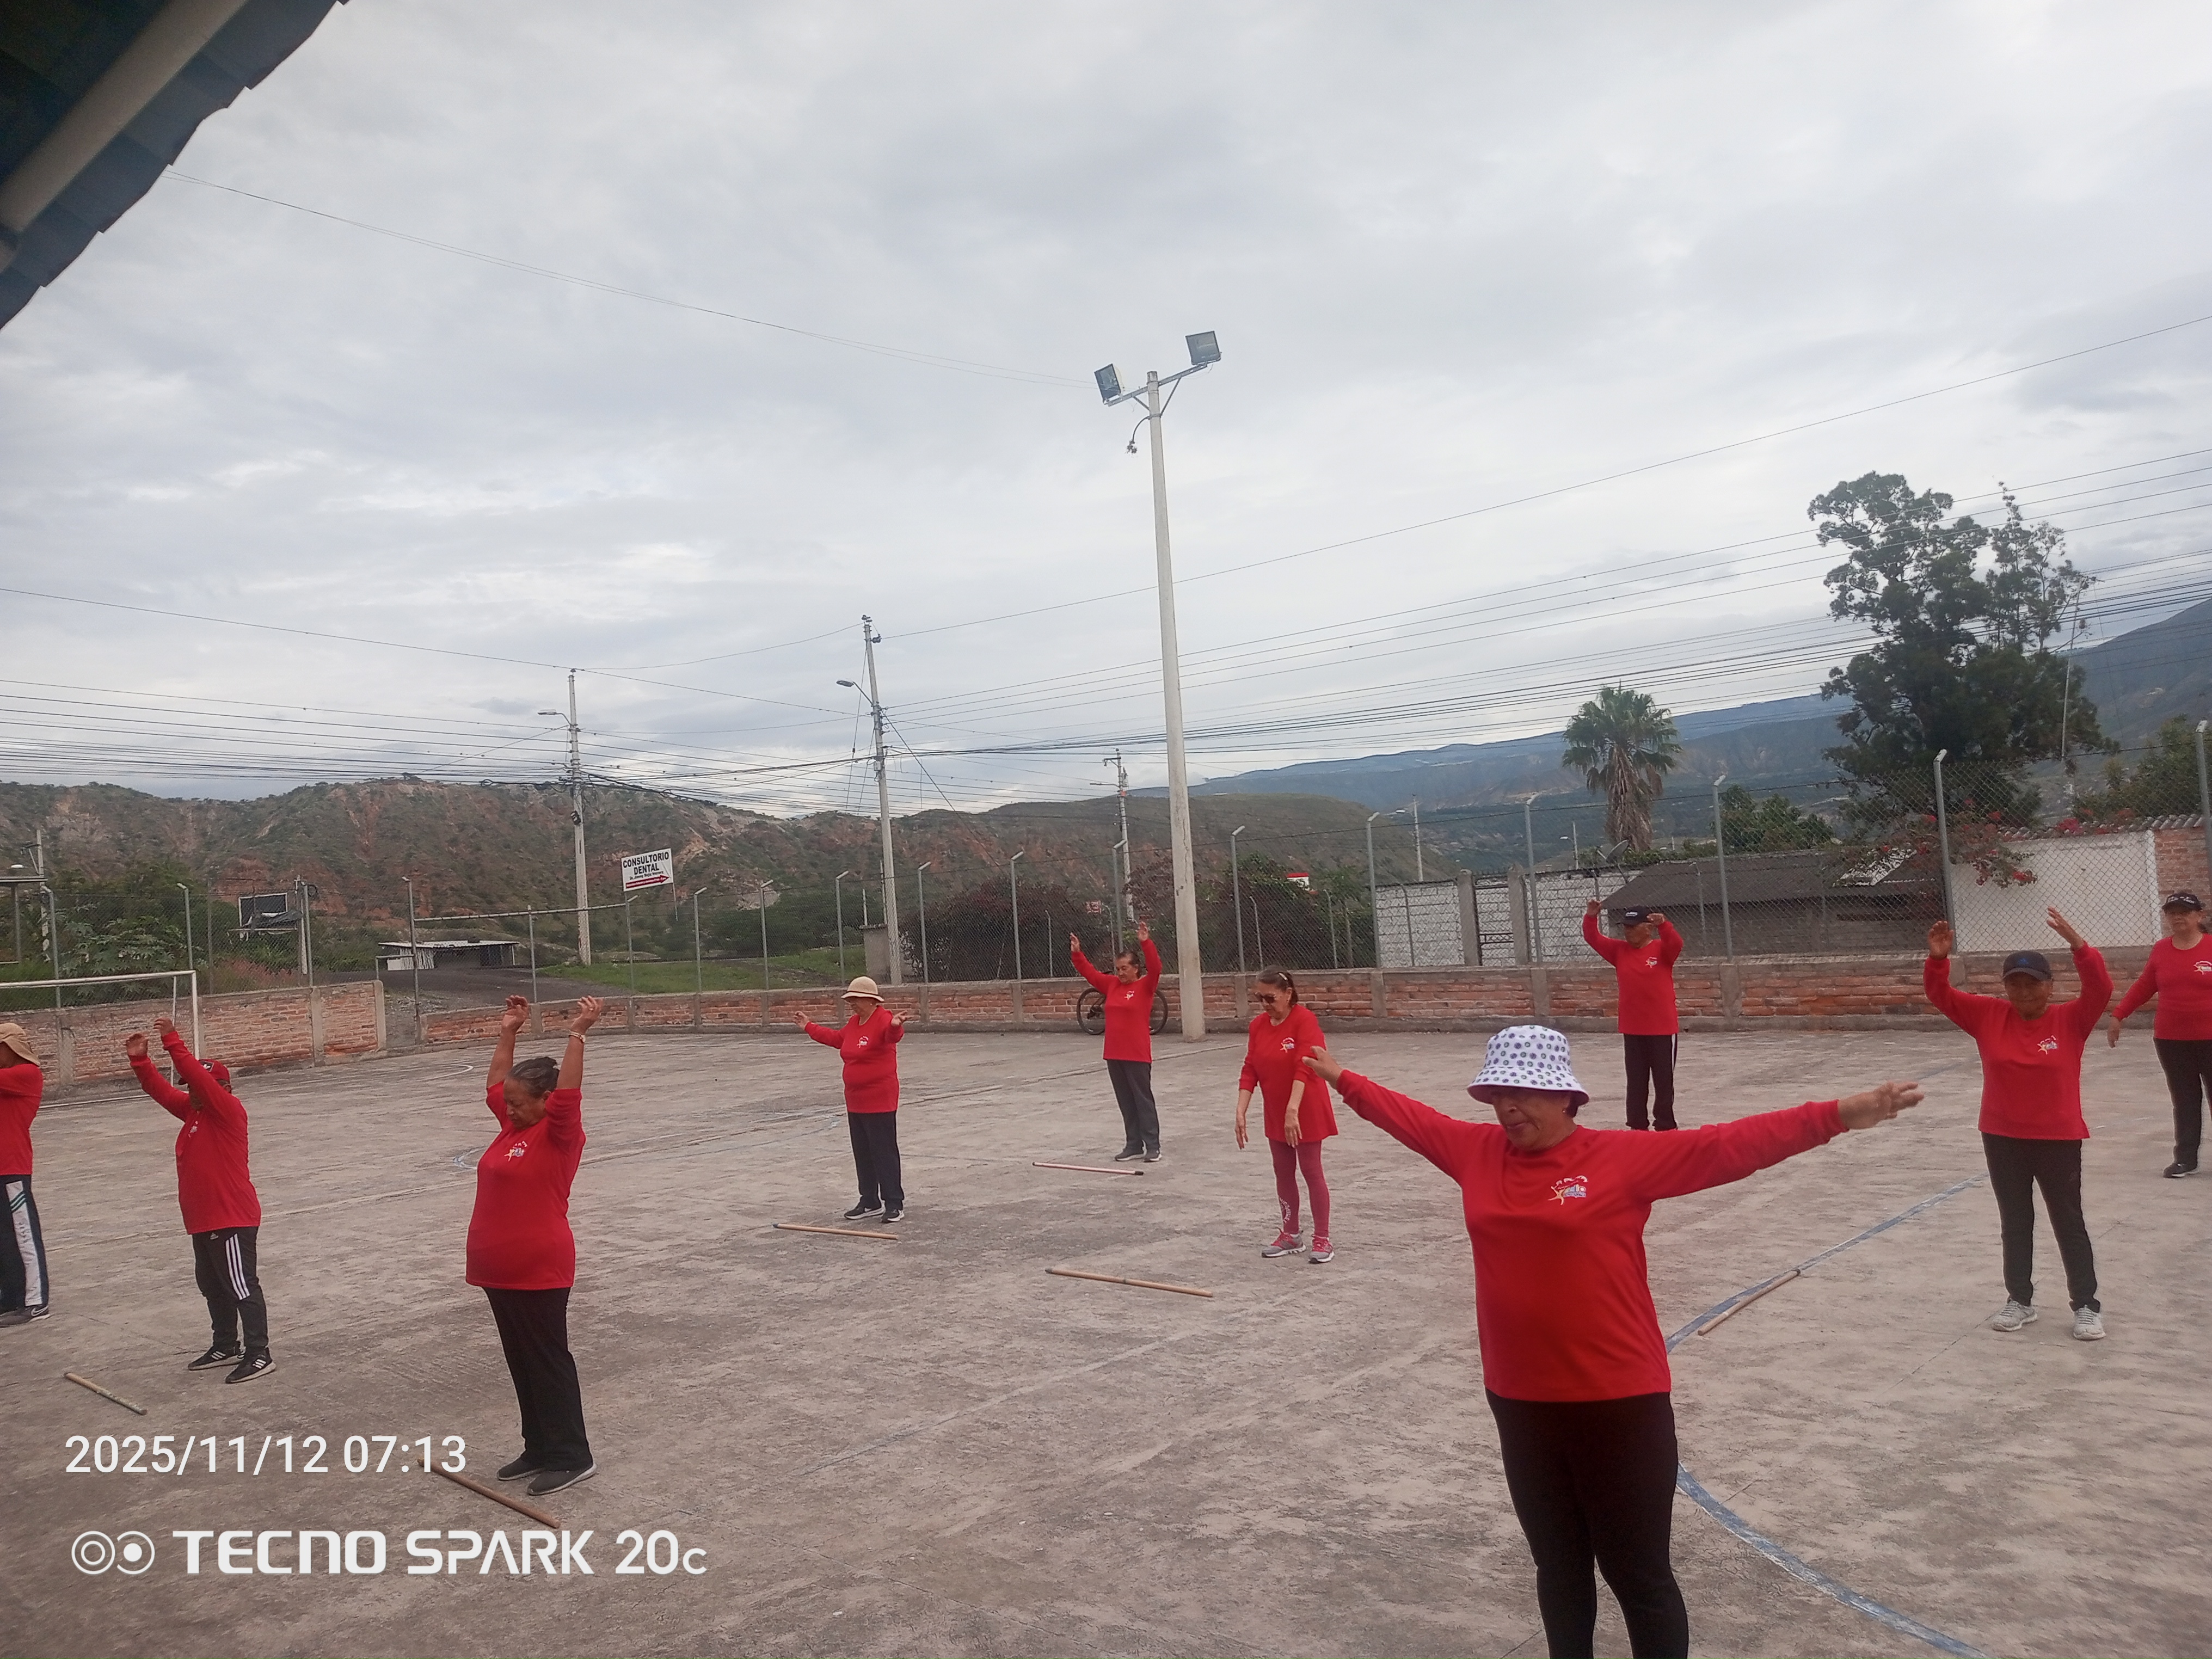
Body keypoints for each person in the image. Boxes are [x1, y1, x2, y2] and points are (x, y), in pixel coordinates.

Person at [1302, 1024, 1920, 1659]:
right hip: (1519, 1399)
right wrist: (1342, 1078)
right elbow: (1408, 1118)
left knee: (1637, 1576)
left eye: (1523, 1093)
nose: (1507, 1107)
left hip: (1618, 1402)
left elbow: (1726, 1146)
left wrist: (1835, 1116)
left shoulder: (1618, 1158)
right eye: (1496, 1094)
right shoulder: (1474, 1152)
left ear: (1565, 1097)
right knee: (1558, 1567)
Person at [1925, 910, 2111, 1340]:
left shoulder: (2071, 1019)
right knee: (2015, 1220)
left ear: (2050, 987)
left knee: (2068, 1220)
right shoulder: (1988, 1015)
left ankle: (2086, 1305)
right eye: (2016, 984)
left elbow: (2101, 988)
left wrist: (2079, 946)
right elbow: (1942, 995)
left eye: (2033, 983)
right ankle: (2020, 1300)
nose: (2024, 992)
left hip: (2058, 1138)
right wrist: (1938, 960)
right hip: (2002, 1136)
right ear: (2005, 987)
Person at [474, 993, 604, 1497]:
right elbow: (495, 1085)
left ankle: (572, 1456)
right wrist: (508, 1031)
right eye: (508, 1103)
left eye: (518, 1102)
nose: (507, 1108)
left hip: (539, 1267)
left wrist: (578, 1034)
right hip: (499, 1270)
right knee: (521, 1361)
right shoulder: (513, 1127)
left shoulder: (558, 1133)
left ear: (545, 1100)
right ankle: (538, 1447)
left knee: (547, 1361)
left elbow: (570, 1094)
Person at [125, 1017, 271, 1382]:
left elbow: (198, 1077)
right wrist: (140, 1062)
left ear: (224, 1088)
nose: (192, 1091)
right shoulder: (194, 1111)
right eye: (189, 1087)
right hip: (204, 1218)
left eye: (199, 1086)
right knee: (212, 1285)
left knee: (241, 1285)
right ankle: (226, 1344)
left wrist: (172, 1041)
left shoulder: (229, 1111)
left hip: (231, 1215)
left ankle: (259, 1353)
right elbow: (160, 1091)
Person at [1234, 968, 1338, 1263]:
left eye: (1270, 998)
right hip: (1276, 1109)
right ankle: (1291, 1233)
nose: (1265, 1004)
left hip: (1306, 1107)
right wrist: (1241, 1109)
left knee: (1311, 1170)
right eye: (1259, 998)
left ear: (1288, 994)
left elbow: (1305, 1065)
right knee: (1283, 1171)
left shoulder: (1305, 1020)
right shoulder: (1258, 1026)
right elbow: (1251, 1068)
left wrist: (1293, 1110)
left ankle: (1323, 1238)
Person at [2106, 889, 2212, 1178]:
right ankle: (2186, 1159)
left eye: (2184, 912)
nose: (2177, 918)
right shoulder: (2161, 950)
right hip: (2171, 1039)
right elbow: (2145, 986)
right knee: (2185, 1099)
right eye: (2172, 913)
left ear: (2199, 916)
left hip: (2210, 1038)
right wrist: (2119, 1014)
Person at [800, 976, 908, 1223]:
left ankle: (894, 1203)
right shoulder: (854, 1023)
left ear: (871, 1001)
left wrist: (896, 1026)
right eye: (850, 1000)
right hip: (855, 1100)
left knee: (884, 1152)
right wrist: (808, 1026)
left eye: (856, 999)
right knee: (863, 1152)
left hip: (879, 1099)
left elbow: (893, 1035)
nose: (852, 1004)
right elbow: (836, 1039)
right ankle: (869, 1200)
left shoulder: (884, 1020)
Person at [1582, 899, 1683, 1130]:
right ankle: (1637, 1124)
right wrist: (1591, 916)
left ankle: (1665, 1124)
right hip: (1633, 1028)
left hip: (1662, 1029)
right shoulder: (1619, 951)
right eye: (1625, 927)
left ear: (1647, 928)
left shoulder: (1661, 950)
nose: (1627, 932)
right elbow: (1593, 938)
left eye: (1632, 927)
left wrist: (1664, 925)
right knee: (1636, 1081)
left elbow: (1676, 944)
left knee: (1663, 1081)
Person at [1070, 920, 1164, 1162]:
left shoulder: (1146, 986)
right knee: (1126, 1101)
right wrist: (1078, 954)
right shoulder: (1112, 985)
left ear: (1136, 969)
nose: (1120, 973)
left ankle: (1153, 1146)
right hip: (1114, 1053)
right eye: (1118, 969)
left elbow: (1156, 967)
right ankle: (1133, 1145)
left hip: (1137, 1054)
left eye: (1124, 968)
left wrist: (1146, 943)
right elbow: (1091, 974)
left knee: (1143, 1100)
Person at [0, 1021, 51, 1328]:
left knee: (23, 1234)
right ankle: (10, 1297)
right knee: (5, 1239)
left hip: (12, 1167)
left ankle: (35, 1301)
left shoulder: (27, 1074)